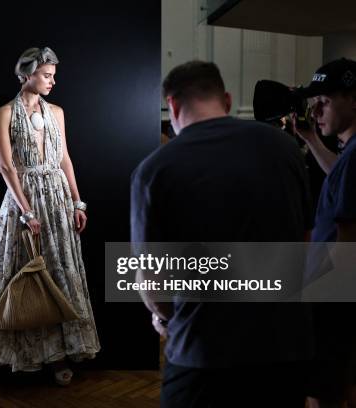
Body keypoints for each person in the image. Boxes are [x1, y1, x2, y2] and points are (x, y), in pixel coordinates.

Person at [131, 61, 314, 407]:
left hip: (202, 354)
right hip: (285, 350)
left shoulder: (153, 170)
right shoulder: (285, 148)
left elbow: (151, 277)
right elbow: (304, 246)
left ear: (171, 105)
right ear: (227, 101)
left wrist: (163, 317)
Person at [0, 47, 100, 393]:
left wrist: (77, 201)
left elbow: (65, 159)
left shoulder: (56, 112)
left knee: (54, 273)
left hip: (56, 200)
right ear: (26, 74)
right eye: (46, 74)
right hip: (22, 198)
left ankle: (55, 354)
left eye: (53, 75)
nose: (52, 81)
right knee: (9, 273)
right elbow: (6, 166)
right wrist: (26, 210)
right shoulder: (4, 114)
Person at [292, 58, 356, 408]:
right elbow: (338, 176)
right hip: (336, 301)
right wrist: (312, 139)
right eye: (313, 102)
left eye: (326, 102)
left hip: (334, 303)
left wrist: (314, 299)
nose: (316, 110)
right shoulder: (349, 152)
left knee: (322, 393)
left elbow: (348, 248)